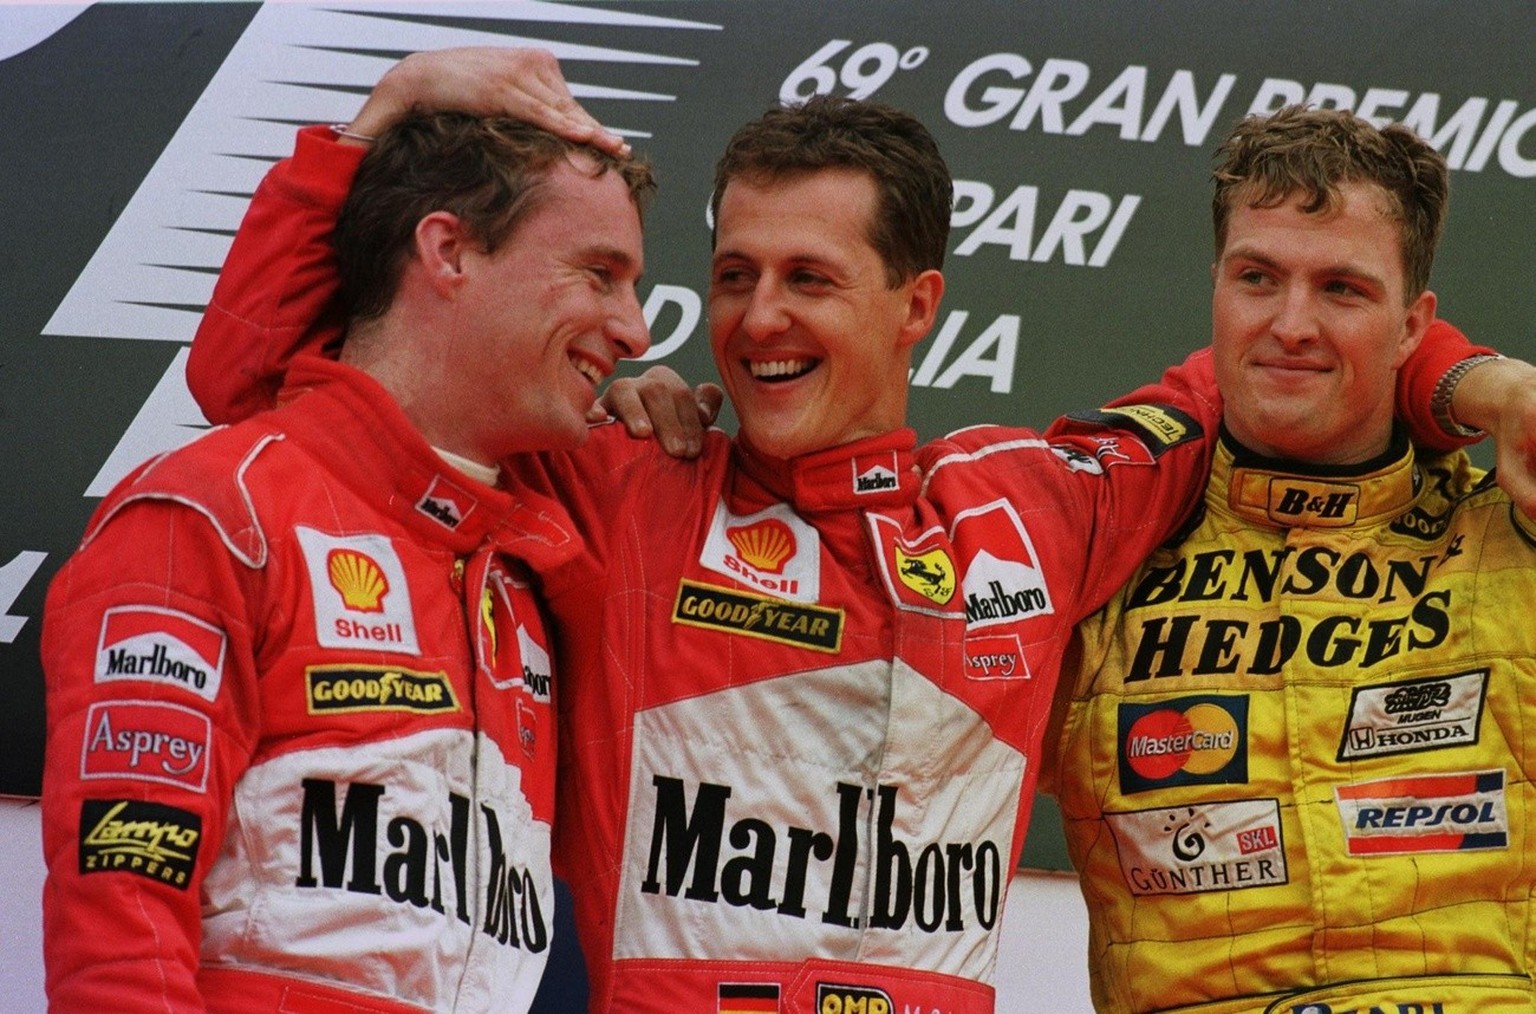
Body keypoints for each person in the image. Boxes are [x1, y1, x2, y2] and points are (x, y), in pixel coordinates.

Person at [182, 50, 1492, 1012]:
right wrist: (375, 124)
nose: (756, 320)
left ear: (916, 303)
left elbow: (1289, 358)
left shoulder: (1036, 500)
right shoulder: (625, 472)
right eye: (736, 272)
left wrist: (1484, 387)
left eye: (809, 278)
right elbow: (273, 393)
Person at [39, 96, 655, 1011]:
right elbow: (122, 918)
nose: (636, 330)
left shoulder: (536, 558)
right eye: (599, 275)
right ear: (448, 251)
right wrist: (390, 103)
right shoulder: (219, 510)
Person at [1043, 106, 1536, 1012]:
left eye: (1343, 290)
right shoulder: (1100, 555)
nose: (1291, 324)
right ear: (1216, 289)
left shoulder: (1512, 537)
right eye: (1257, 278)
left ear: (1412, 326)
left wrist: (1484, 382)